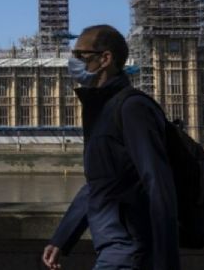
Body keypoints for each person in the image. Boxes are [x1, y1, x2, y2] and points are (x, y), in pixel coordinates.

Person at [42, 24, 180, 270]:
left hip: (130, 250)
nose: (73, 62)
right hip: (112, 245)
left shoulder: (131, 108)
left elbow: (158, 184)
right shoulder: (102, 109)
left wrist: (167, 263)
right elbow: (101, 184)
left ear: (105, 59)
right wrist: (62, 238)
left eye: (80, 56)